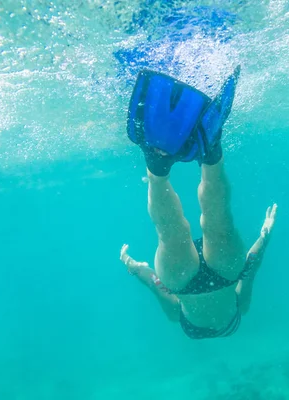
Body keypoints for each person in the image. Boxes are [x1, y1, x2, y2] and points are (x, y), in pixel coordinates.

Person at [119, 66, 278, 339]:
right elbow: (158, 287)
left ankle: (211, 151)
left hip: (227, 274)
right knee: (170, 232)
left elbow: (249, 271)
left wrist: (265, 235)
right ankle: (157, 165)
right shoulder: (179, 321)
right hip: (181, 283)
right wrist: (136, 270)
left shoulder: (241, 311)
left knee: (219, 220)